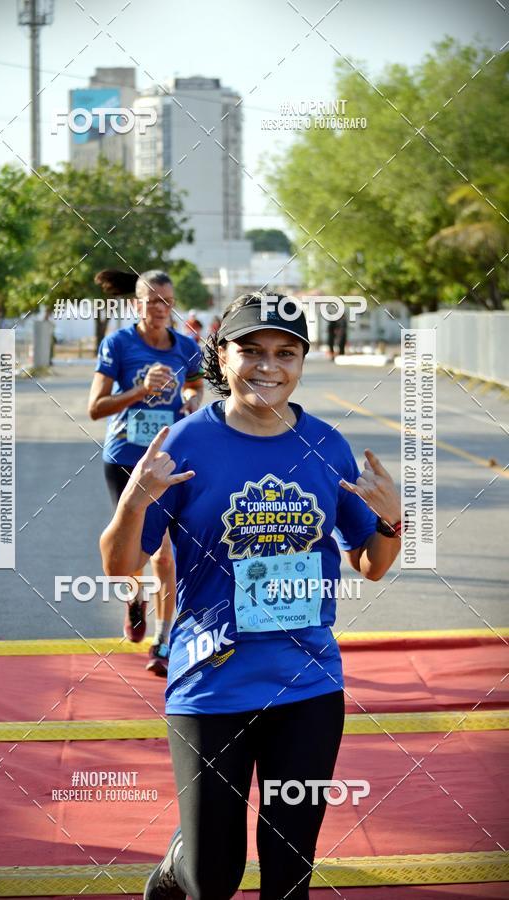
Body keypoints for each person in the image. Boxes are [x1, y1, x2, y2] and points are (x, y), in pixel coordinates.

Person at [100, 292, 402, 898]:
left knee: (290, 875)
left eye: (285, 353)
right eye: (252, 351)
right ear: (222, 354)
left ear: (302, 362)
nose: (269, 366)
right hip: (210, 681)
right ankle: (177, 866)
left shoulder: (326, 445)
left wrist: (394, 520)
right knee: (213, 876)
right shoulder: (184, 443)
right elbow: (119, 567)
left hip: (308, 684)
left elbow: (370, 565)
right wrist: (135, 498)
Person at [89, 270, 204, 676]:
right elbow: (95, 407)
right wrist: (141, 391)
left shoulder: (187, 347)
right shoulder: (119, 343)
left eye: (167, 301)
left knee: (165, 555)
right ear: (137, 305)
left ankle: (164, 639)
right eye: (153, 301)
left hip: (168, 462)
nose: (160, 309)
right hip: (124, 459)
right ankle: (135, 599)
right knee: (131, 551)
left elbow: (194, 386)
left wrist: (190, 402)